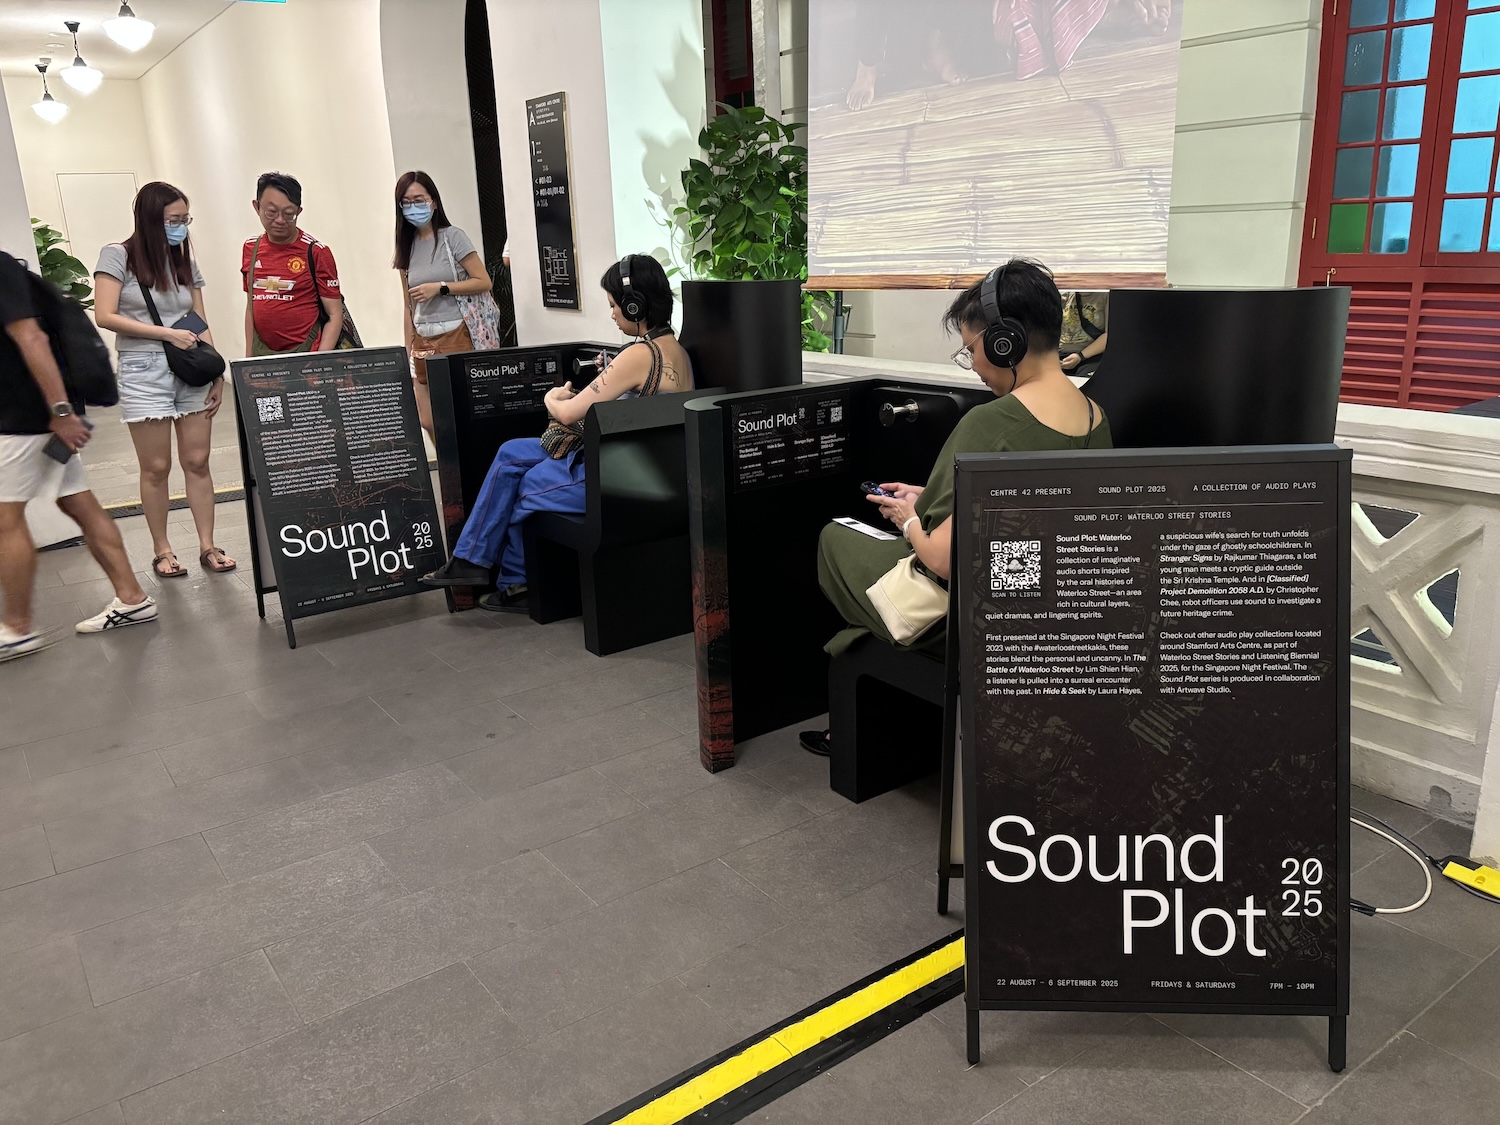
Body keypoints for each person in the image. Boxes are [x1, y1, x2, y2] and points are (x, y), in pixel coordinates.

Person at [805, 258, 1111, 754]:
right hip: (1050, 611)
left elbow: (943, 559)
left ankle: (859, 679)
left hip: (968, 622)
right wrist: (929, 499)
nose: (974, 364)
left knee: (834, 537)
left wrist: (909, 521)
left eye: (971, 350)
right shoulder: (1096, 418)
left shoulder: (991, 423)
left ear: (1002, 342)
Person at [421, 254, 693, 611]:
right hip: (637, 464)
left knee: (526, 483)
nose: (612, 313)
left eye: (614, 305)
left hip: (616, 479)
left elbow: (566, 412)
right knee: (511, 453)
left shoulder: (640, 355)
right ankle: (469, 561)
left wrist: (552, 396)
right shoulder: (675, 351)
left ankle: (519, 586)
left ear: (634, 304)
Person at [0, 250, 157, 660]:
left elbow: (30, 337)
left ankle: (16, 629)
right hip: (36, 417)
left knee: (5, 521)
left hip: (25, 419)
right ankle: (132, 597)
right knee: (77, 501)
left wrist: (62, 412)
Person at [93, 181, 234, 579]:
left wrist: (216, 371)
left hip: (189, 367)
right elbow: (104, 315)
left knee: (197, 461)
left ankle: (208, 544)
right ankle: (163, 550)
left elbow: (198, 319)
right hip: (143, 370)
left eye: (185, 219)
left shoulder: (184, 260)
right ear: (150, 220)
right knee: (155, 467)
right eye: (174, 220)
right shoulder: (118, 255)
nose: (181, 227)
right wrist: (166, 334)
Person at [394, 170, 493, 438]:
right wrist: (407, 351)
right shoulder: (406, 245)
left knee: (459, 415)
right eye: (406, 202)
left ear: (433, 202)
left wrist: (441, 288)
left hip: (456, 336)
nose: (413, 207)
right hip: (423, 341)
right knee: (427, 420)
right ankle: (452, 473)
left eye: (419, 199)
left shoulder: (452, 237)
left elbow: (483, 281)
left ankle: (464, 476)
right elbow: (408, 306)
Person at [242, 171, 344, 355]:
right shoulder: (251, 248)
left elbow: (335, 314)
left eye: (289, 214)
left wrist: (320, 360)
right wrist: (248, 360)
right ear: (256, 207)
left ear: (299, 212)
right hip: (263, 354)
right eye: (271, 212)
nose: (280, 220)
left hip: (307, 353)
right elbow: (251, 307)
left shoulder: (316, 252)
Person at [1058, 289, 1107, 378]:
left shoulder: (1106, 295)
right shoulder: (1065, 294)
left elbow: (1109, 335)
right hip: (1061, 354)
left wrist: (1080, 356)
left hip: (1090, 356)